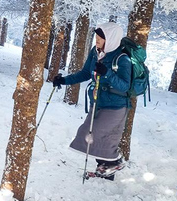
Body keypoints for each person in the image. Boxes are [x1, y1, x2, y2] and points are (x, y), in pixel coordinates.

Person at [53, 22, 131, 180]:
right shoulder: (95, 53)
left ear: (111, 39)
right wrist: (63, 80)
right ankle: (104, 169)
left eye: (101, 37)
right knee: (86, 134)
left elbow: (125, 86)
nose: (97, 40)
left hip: (116, 106)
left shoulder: (123, 59)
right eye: (97, 36)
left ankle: (116, 163)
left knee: (99, 135)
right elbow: (84, 74)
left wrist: (107, 73)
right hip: (97, 102)